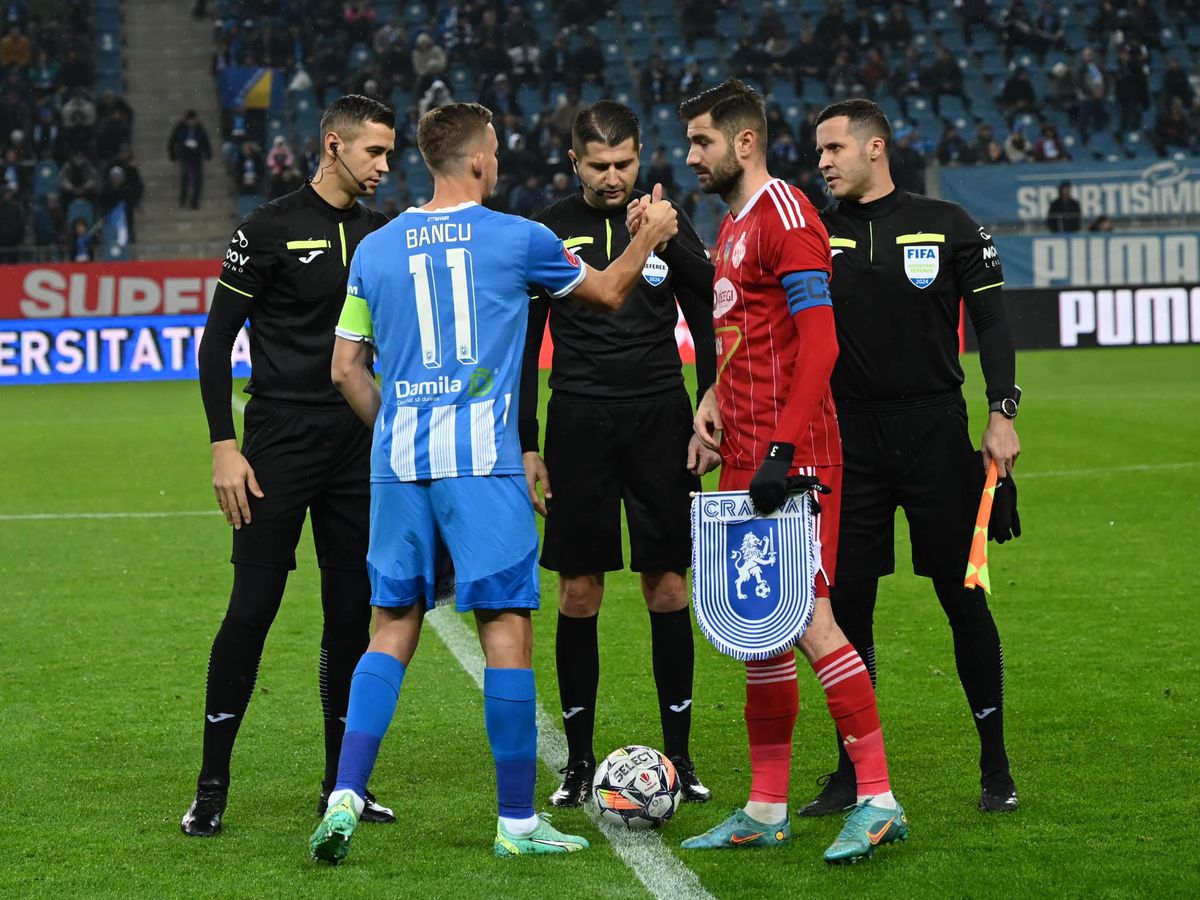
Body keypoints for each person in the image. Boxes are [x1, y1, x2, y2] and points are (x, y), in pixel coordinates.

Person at [308, 101, 681, 862]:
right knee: (505, 630)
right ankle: (516, 822)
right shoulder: (520, 238)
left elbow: (346, 368)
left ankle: (345, 790)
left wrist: (397, 428)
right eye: (497, 153)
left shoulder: (375, 248)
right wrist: (649, 236)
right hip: (482, 460)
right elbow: (611, 293)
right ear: (479, 159)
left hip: (399, 463)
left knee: (391, 627)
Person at [650, 79, 908, 864]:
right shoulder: (734, 225)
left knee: (811, 621)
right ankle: (766, 807)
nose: (691, 155)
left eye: (702, 141)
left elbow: (820, 344)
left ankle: (879, 798)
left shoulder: (787, 214)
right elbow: (745, 340)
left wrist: (782, 451)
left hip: (794, 459)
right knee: (762, 631)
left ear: (744, 141)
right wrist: (715, 404)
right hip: (747, 452)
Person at [183, 95, 398, 838]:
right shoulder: (266, 228)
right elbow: (216, 343)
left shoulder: (381, 233)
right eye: (373, 151)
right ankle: (211, 787)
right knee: (251, 610)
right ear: (333, 145)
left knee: (350, 618)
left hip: (357, 443)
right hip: (277, 441)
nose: (384, 165)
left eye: (390, 152)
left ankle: (343, 788)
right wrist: (224, 444)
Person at [801, 98, 1021, 817]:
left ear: (876, 148)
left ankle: (996, 768)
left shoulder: (949, 223)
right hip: (848, 441)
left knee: (963, 598)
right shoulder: (815, 231)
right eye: (819, 150)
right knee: (847, 609)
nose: (823, 161)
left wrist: (1001, 412)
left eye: (834, 148)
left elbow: (992, 321)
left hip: (934, 432)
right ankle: (851, 773)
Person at [518, 100, 718, 809]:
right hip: (578, 422)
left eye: (624, 163)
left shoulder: (665, 220)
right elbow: (524, 345)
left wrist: (710, 398)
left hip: (662, 418)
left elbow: (709, 310)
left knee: (668, 586)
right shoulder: (547, 227)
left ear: (641, 157)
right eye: (599, 165)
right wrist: (528, 443)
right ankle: (578, 762)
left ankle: (681, 756)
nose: (612, 177)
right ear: (575, 161)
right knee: (579, 592)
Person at [168, 110, 212, 210]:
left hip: (196, 156)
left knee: (198, 180)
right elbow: (172, 141)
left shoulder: (200, 128)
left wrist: (208, 154)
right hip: (185, 156)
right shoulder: (180, 127)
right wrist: (172, 155)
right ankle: (183, 198)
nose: (192, 122)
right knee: (185, 178)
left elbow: (205, 141)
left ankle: (194, 202)